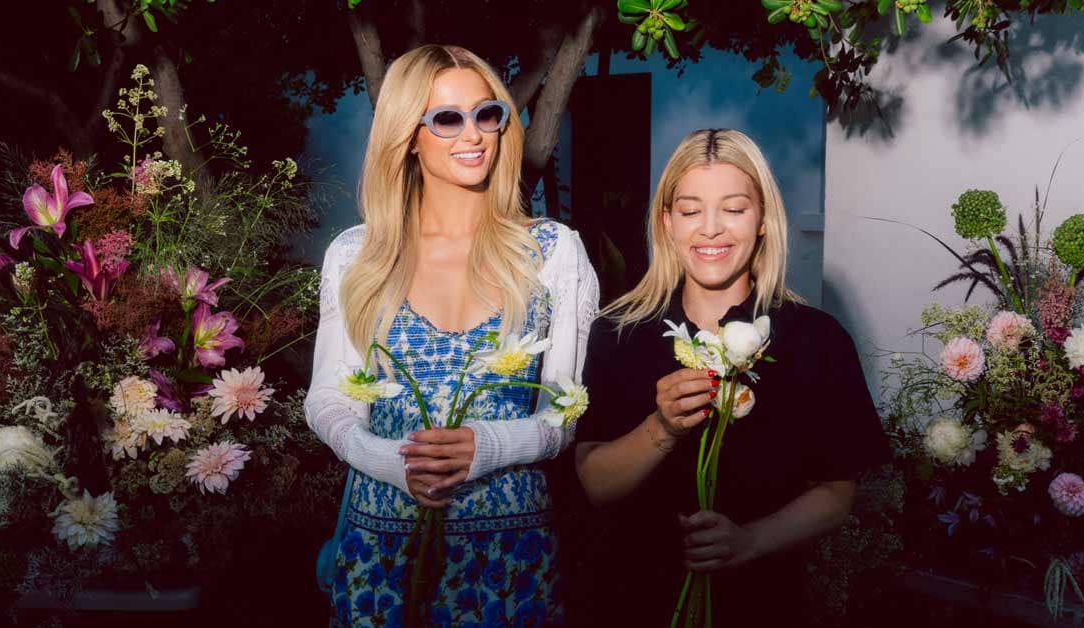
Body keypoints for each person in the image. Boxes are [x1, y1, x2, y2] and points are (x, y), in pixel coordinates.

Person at [305, 44, 599, 626]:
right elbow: (328, 400)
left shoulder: (553, 253)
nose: (475, 134)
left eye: (487, 113)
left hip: (508, 557)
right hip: (380, 550)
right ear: (408, 135)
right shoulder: (357, 255)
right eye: (447, 118)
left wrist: (489, 446)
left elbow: (565, 411)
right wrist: (393, 461)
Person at [574, 129, 889, 625]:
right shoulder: (619, 333)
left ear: (763, 219)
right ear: (667, 222)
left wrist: (751, 541)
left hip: (764, 603)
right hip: (630, 597)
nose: (711, 229)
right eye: (691, 210)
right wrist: (663, 427)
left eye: (735, 209)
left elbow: (837, 491)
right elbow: (595, 483)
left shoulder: (815, 339)